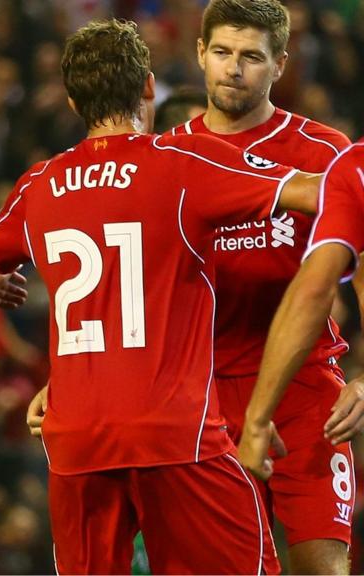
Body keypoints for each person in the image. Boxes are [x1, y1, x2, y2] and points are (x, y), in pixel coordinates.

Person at [0, 19, 321, 574]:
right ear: (149, 87)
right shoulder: (182, 168)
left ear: (74, 99)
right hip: (175, 435)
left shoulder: (40, 183)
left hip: (75, 441)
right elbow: (313, 192)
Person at [173, 1, 357, 571]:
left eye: (251, 57)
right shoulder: (165, 155)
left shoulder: (326, 154)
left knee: (322, 566)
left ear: (280, 63)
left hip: (307, 393)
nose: (234, 68)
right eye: (223, 52)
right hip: (198, 398)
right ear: (200, 53)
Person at [238, 141, 362, 499]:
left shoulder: (348, 162)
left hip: (306, 395)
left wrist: (257, 418)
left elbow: (313, 291)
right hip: (208, 394)